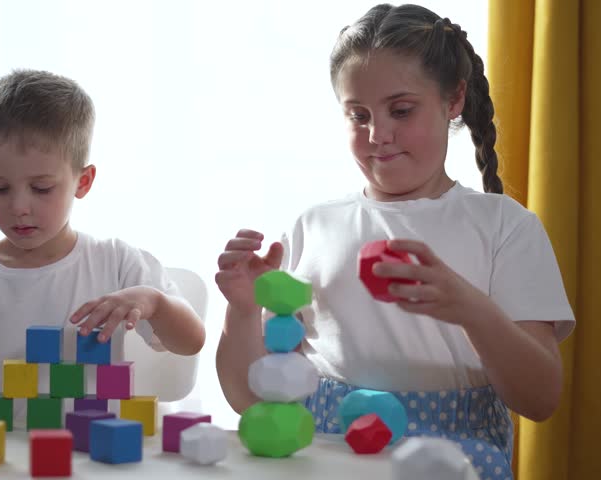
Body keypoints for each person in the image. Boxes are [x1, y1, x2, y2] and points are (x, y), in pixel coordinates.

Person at [215, 4, 573, 478]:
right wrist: (240, 310)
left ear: (454, 99)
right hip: (325, 459)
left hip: (451, 463)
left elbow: (540, 398)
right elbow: (251, 399)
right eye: (357, 114)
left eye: (401, 111)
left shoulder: (506, 227)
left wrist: (467, 306)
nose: (377, 135)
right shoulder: (313, 226)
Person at [0, 69, 205, 423]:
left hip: (91, 462)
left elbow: (190, 341)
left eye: (41, 188)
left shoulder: (118, 263)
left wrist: (156, 302)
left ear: (83, 181)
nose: (18, 207)